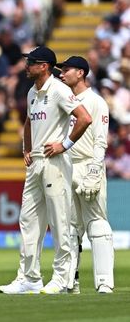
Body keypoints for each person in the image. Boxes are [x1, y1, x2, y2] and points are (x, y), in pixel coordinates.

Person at [0, 46, 92, 295]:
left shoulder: (60, 90)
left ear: (44, 67)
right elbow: (29, 121)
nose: (26, 65)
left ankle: (62, 278)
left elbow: (84, 118)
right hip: (36, 162)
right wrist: (26, 148)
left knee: (59, 221)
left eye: (32, 62)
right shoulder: (31, 92)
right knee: (28, 221)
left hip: (55, 162)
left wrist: (65, 144)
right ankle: (29, 277)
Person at [56, 56, 114, 294]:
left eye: (66, 70)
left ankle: (104, 283)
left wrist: (94, 169)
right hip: (66, 165)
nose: (61, 74)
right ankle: (70, 282)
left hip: (88, 164)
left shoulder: (95, 101)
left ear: (80, 73)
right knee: (69, 228)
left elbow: (101, 140)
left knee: (97, 224)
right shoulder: (64, 100)